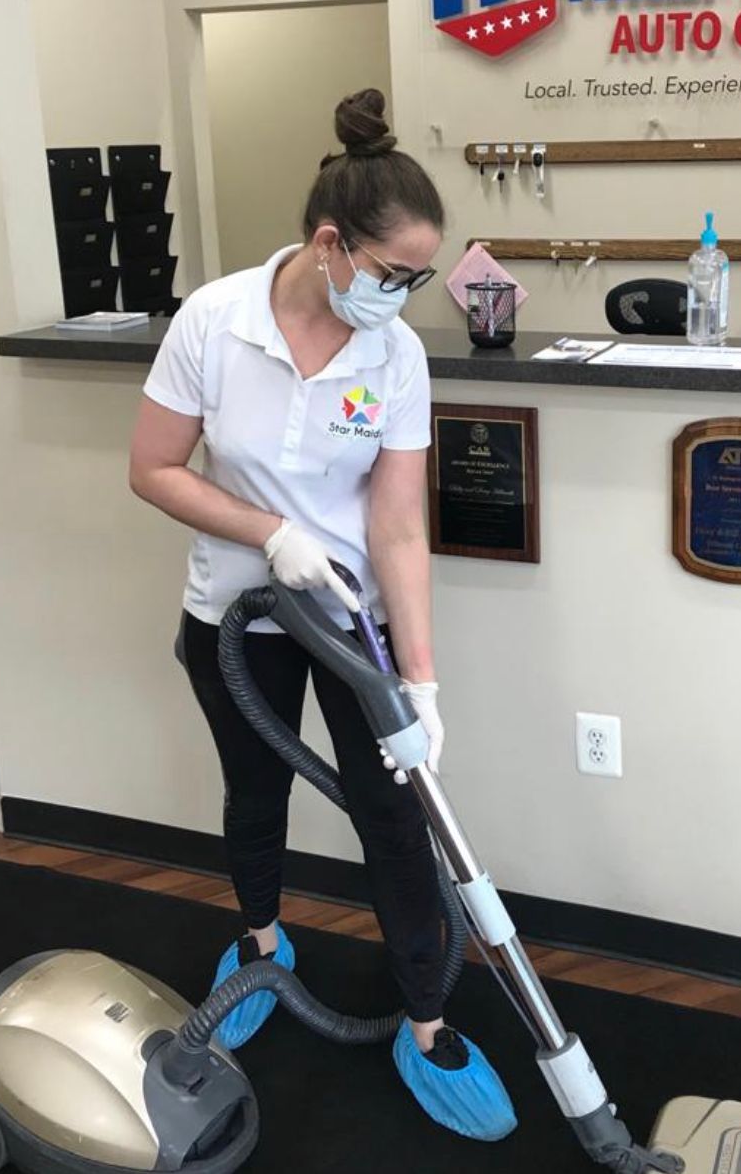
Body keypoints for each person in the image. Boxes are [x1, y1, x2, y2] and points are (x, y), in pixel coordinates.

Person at [128, 88, 515, 1142]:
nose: (406, 295)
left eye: (421, 277)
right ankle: (262, 950)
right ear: (330, 244)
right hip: (233, 615)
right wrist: (268, 533)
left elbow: (396, 529)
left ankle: (426, 1023)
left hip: (346, 624)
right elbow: (153, 469)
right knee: (255, 792)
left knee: (393, 817)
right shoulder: (216, 320)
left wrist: (421, 680)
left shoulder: (394, 357)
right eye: (394, 274)